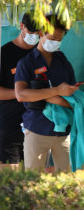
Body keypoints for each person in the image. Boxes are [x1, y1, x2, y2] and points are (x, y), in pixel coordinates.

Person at [15, 14, 77, 172]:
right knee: (32, 181)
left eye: (59, 39)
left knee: (69, 182)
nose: (56, 42)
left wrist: (53, 98)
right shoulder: (26, 63)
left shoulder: (63, 62)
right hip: (36, 128)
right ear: (41, 33)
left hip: (64, 131)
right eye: (53, 37)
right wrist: (56, 92)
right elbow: (21, 94)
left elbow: (72, 97)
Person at [0, 13, 40, 165]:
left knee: (35, 178)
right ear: (22, 26)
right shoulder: (3, 54)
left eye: (39, 33)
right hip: (10, 126)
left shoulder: (42, 54)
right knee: (10, 179)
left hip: (38, 126)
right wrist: (23, 94)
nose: (35, 36)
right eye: (31, 31)